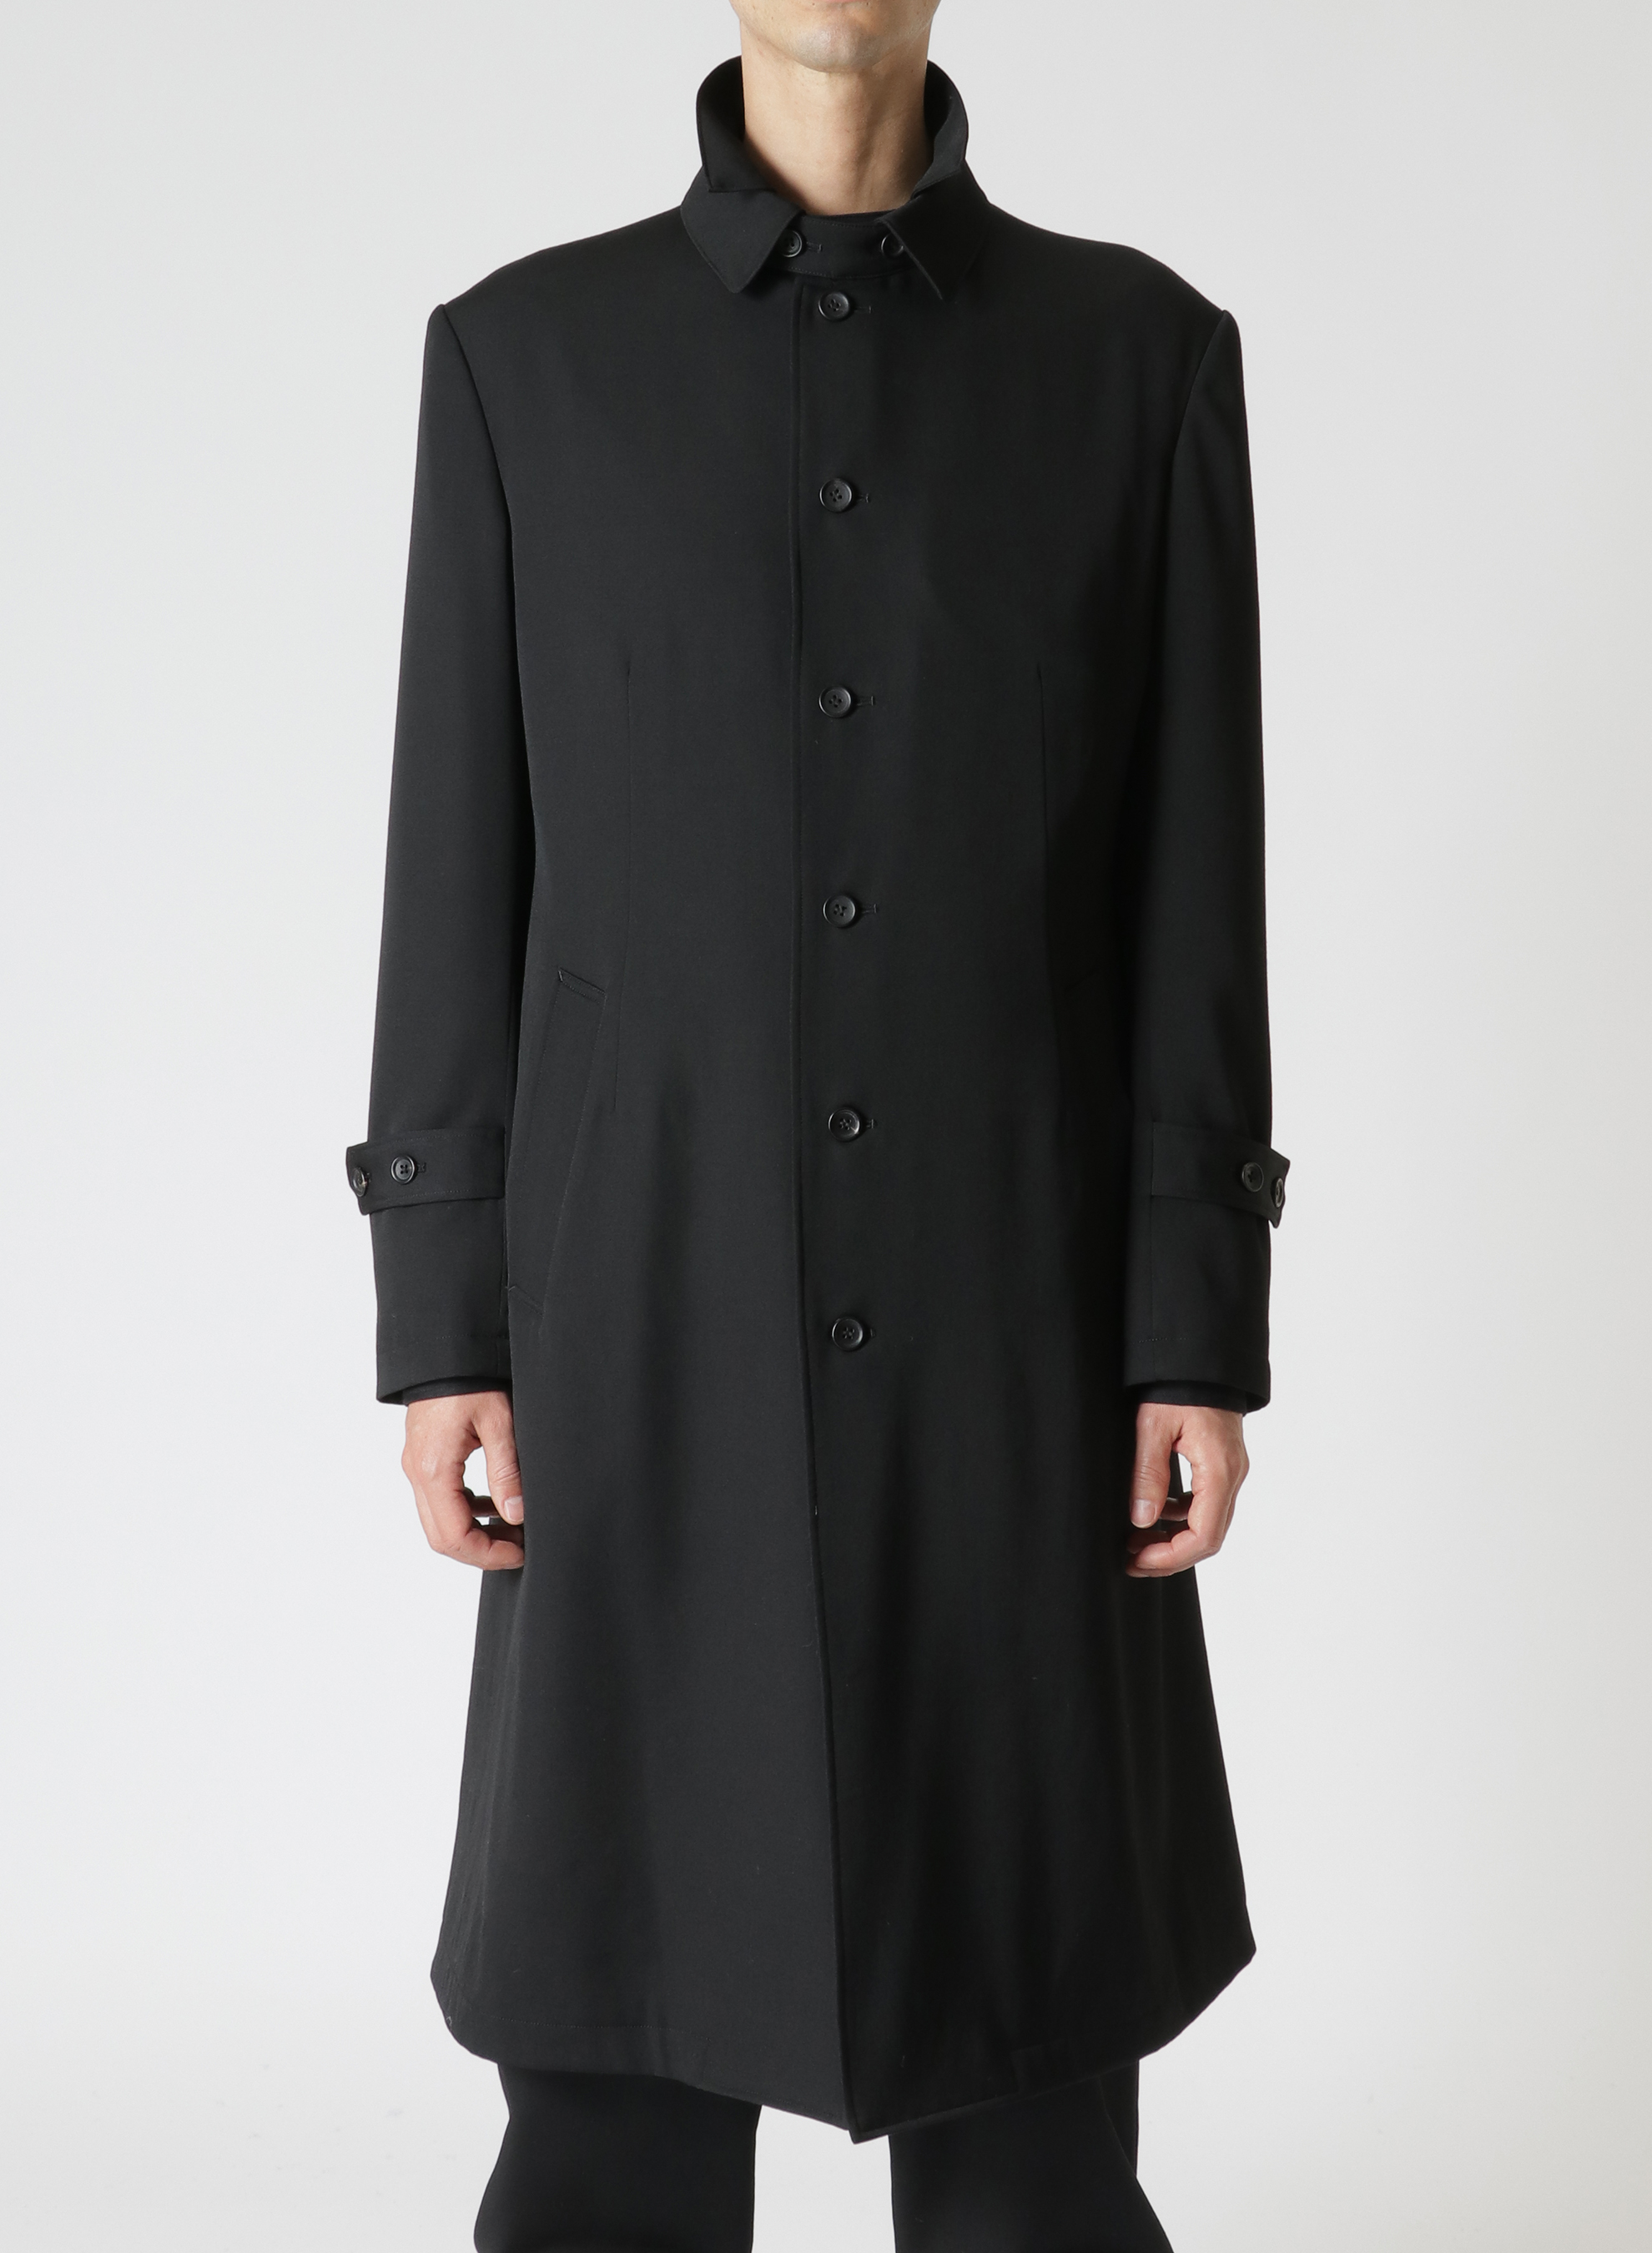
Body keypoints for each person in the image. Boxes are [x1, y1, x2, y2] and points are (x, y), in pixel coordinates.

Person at [345, 2, 1287, 2244]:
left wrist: (1192, 1320)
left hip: (1015, 1338)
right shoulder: (523, 362)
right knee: (609, 2085)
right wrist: (442, 1306)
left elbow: (1193, 883)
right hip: (634, 1328)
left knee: (1028, 2094)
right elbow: (457, 859)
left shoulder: (1137, 361)